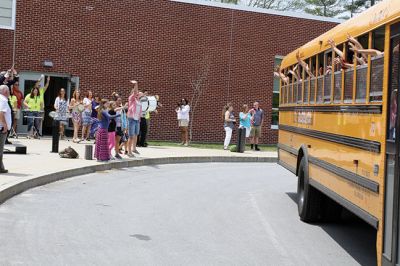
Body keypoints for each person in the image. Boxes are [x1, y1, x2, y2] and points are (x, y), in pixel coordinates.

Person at [127, 80, 142, 157]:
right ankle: (129, 152)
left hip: (137, 120)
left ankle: (134, 148)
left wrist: (139, 118)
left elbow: (139, 111)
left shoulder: (139, 100)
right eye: (136, 92)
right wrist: (136, 84)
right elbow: (136, 92)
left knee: (136, 134)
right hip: (131, 119)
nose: (138, 93)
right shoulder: (131, 99)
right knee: (131, 136)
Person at [0, 85, 11, 173]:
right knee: (0, 149)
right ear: (5, 91)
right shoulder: (3, 100)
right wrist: (4, 125)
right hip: (1, 128)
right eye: (9, 90)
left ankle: (1, 167)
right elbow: (1, 113)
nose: (10, 92)